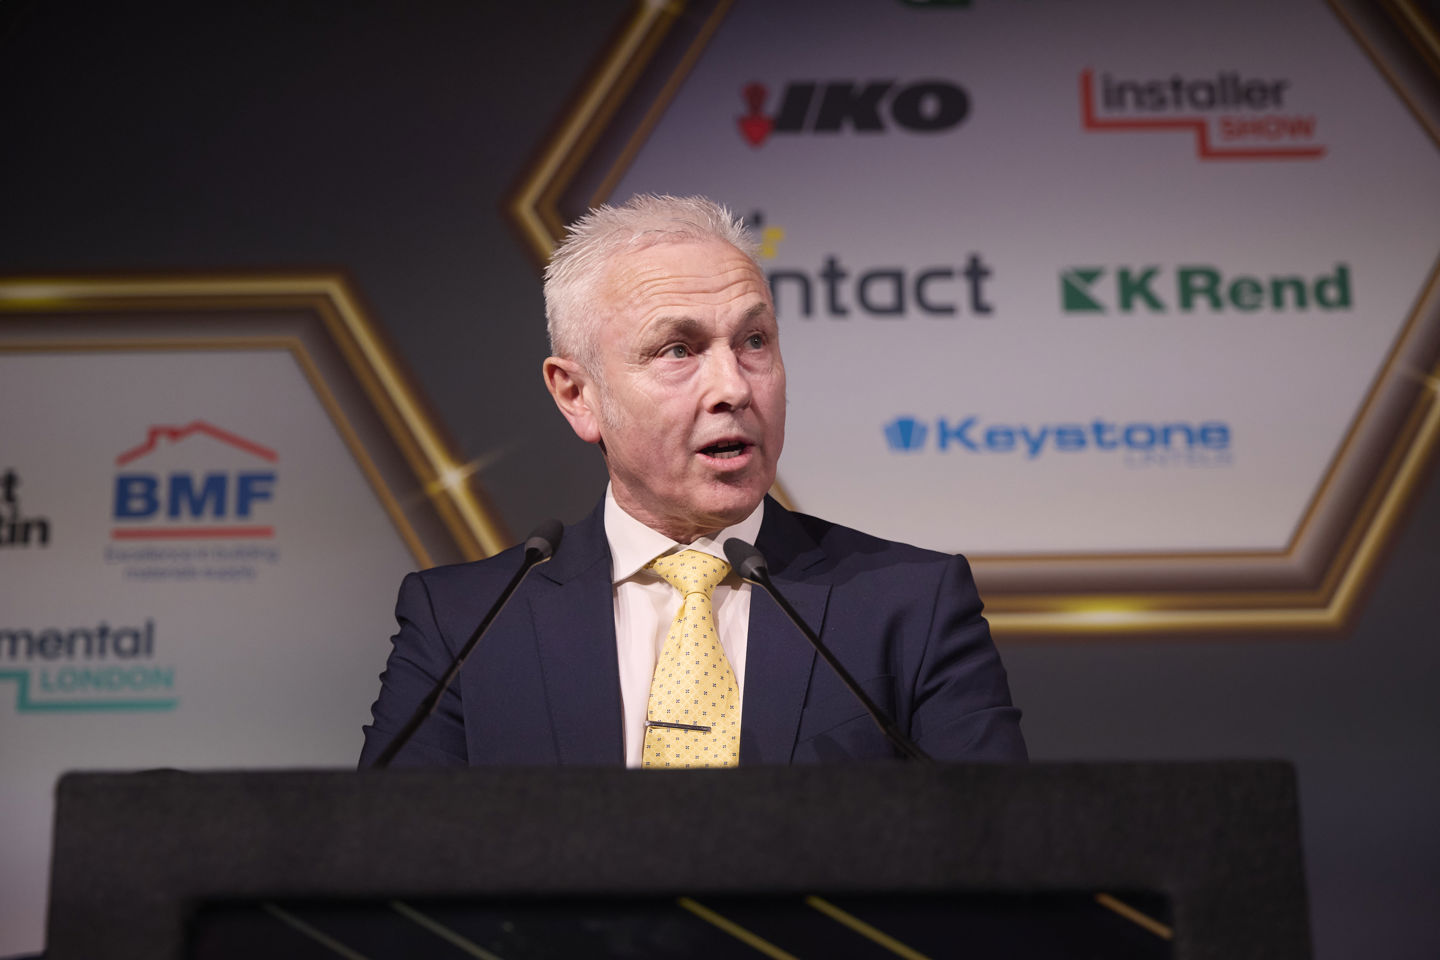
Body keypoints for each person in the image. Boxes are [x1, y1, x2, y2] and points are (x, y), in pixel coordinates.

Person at [360, 194, 1025, 768]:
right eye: (678, 349)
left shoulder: (912, 606)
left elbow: (996, 847)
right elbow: (385, 852)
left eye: (754, 341)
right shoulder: (463, 625)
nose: (734, 386)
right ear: (577, 395)